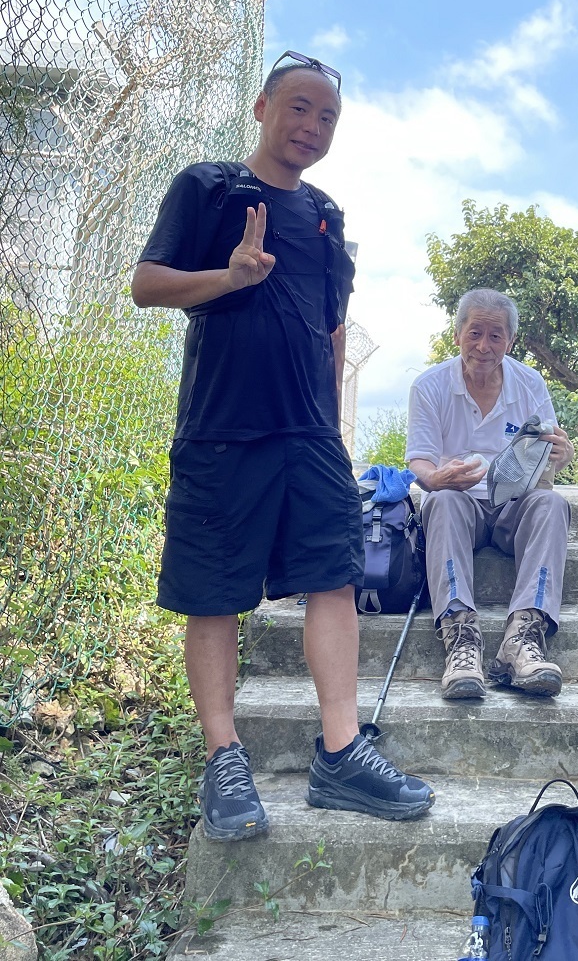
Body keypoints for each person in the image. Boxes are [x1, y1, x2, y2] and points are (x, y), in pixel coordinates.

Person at [131, 50, 433, 841]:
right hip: (222, 429)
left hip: (311, 435)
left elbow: (332, 328)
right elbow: (147, 283)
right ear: (263, 107)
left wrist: (331, 423)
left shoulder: (326, 216)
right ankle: (223, 756)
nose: (312, 125)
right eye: (299, 107)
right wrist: (228, 278)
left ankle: (341, 750)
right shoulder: (210, 188)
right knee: (213, 591)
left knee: (334, 577)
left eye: (327, 116)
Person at [406, 289, 575, 700]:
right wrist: (437, 478)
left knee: (553, 503)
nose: (484, 346)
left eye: (496, 335)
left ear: (510, 341)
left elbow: (549, 451)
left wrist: (562, 454)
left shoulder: (529, 383)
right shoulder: (429, 386)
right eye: (475, 333)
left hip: (513, 505)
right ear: (457, 335)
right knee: (441, 500)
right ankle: (461, 639)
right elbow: (419, 462)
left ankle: (524, 639)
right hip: (458, 503)